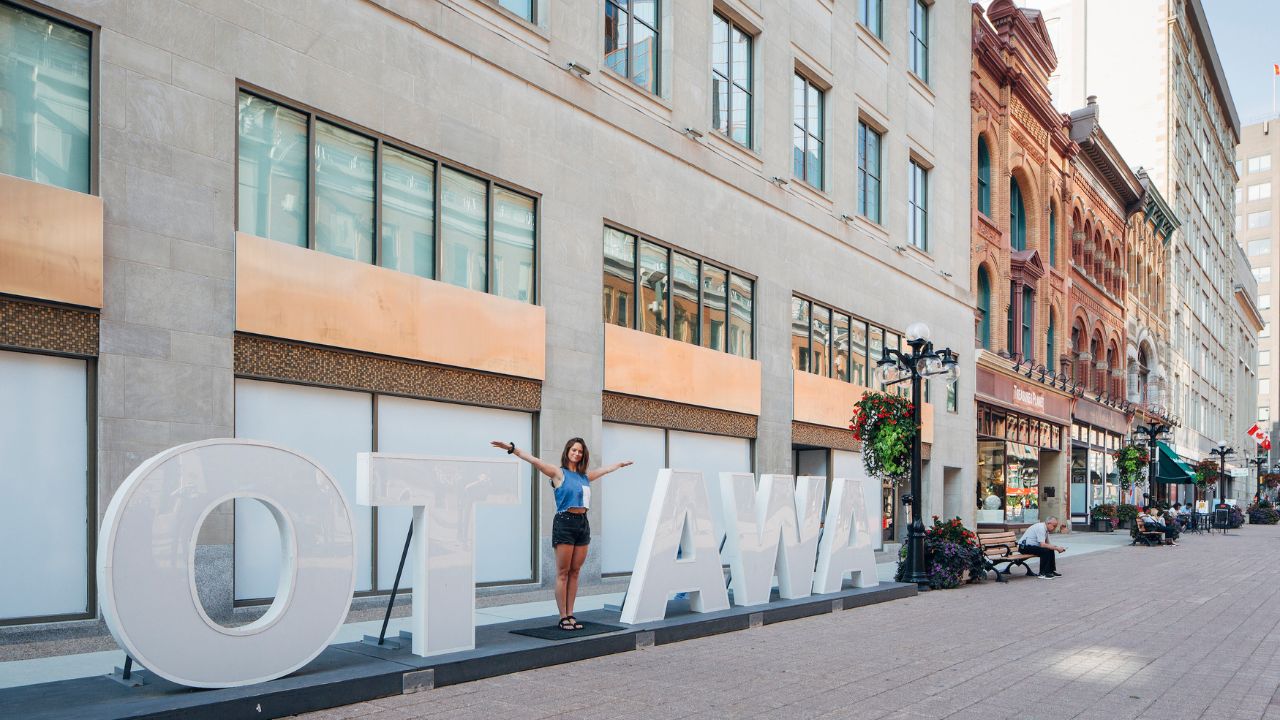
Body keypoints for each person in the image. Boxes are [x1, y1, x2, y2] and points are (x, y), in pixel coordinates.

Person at [491, 438, 631, 631]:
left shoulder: (584, 477)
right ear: (567, 452)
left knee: (575, 573)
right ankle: (563, 616)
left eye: (580, 451)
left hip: (583, 523)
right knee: (563, 573)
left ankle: (571, 613)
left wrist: (618, 465)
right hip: (565, 523)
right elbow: (534, 461)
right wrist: (513, 449)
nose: (577, 453)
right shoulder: (558, 473)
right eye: (574, 450)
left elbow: (604, 471)